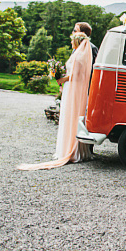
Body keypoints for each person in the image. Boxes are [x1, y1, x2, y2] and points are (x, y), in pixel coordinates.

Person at [17, 32, 93, 170]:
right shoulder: (78, 54)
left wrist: (62, 79)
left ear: (77, 41)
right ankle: (72, 148)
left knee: (72, 116)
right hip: (71, 89)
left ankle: (71, 150)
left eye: (72, 41)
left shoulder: (80, 56)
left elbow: (75, 75)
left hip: (74, 89)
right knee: (69, 116)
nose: (71, 43)